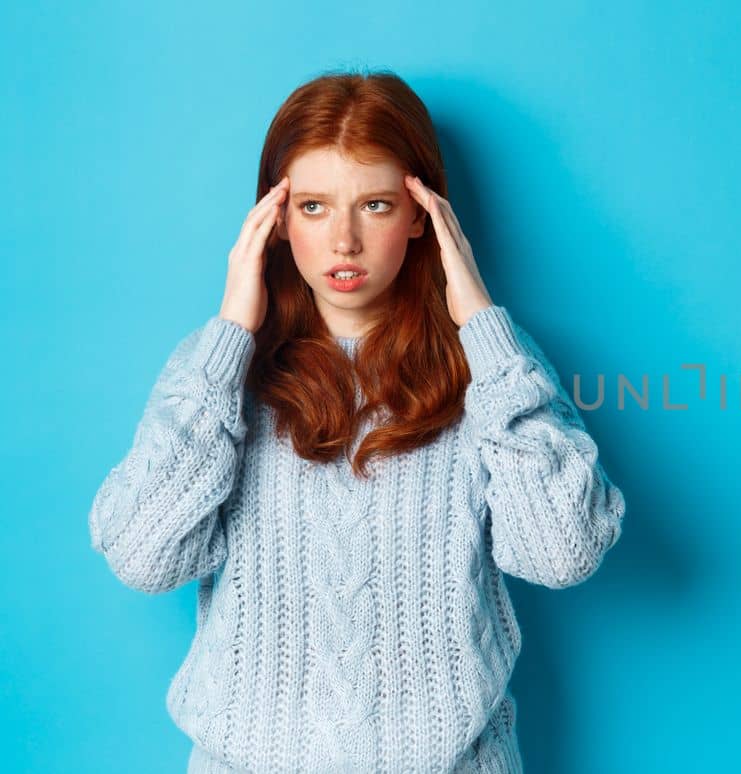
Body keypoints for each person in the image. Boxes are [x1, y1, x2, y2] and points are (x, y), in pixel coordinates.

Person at [87, 68, 626, 773]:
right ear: (274, 220)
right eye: (313, 206)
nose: (343, 240)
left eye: (373, 204)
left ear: (421, 216)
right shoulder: (215, 371)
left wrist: (482, 327)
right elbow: (142, 556)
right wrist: (229, 337)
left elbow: (562, 554)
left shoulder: (495, 370)